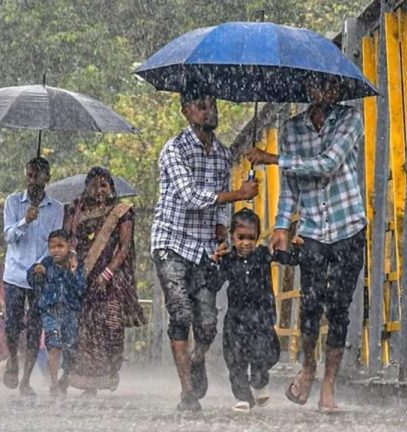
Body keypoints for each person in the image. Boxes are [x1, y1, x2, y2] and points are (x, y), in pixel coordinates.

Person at [245, 75, 367, 412]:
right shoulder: (291, 129)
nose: (324, 91)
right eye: (317, 84)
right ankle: (309, 366)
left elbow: (328, 163)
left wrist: (272, 159)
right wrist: (281, 225)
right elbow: (291, 187)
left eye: (331, 85)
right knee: (311, 305)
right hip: (312, 228)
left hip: (348, 226)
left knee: (339, 308)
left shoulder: (351, 119)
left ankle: (328, 387)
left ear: (339, 89)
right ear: (308, 88)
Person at [151, 88, 259, 411]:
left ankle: (196, 359)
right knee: (181, 313)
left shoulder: (224, 155)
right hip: (171, 242)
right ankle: (187, 393)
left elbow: (219, 209)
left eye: (213, 104)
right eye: (201, 106)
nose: (209, 111)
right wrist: (239, 194)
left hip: (203, 247)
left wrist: (224, 231)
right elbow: (191, 196)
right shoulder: (174, 150)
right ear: (186, 111)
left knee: (209, 323)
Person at [65, 166, 145, 395]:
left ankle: (110, 371)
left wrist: (107, 273)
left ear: (111, 188)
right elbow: (69, 239)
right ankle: (90, 383)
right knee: (87, 330)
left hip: (112, 278)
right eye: (93, 185)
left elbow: (124, 246)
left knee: (110, 326)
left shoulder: (122, 211)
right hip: (84, 276)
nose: (99, 190)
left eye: (104, 185)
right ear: (86, 188)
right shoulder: (77, 209)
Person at [210, 208, 297, 412]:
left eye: (251, 238)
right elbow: (214, 283)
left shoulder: (263, 255)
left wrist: (294, 248)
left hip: (262, 319)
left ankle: (259, 380)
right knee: (235, 360)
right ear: (232, 237)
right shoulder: (228, 259)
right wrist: (212, 263)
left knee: (268, 353)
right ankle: (243, 397)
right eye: (240, 238)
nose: (246, 243)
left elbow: (287, 259)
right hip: (236, 320)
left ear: (258, 238)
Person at [3, 157, 64, 396]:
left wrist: (42, 264)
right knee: (12, 325)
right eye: (29, 175)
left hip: (40, 276)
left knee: (34, 328)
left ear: (47, 177)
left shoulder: (57, 208)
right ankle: (12, 360)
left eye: (37, 175)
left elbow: (55, 241)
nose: (33, 180)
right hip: (15, 274)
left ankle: (26, 380)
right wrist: (25, 220)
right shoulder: (13, 202)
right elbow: (8, 236)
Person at [27, 229, 87, 397]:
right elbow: (31, 279)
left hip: (70, 312)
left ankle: (65, 377)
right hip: (50, 312)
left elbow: (82, 288)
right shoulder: (45, 263)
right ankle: (53, 383)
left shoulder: (76, 265)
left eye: (60, 246)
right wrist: (35, 272)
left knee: (70, 346)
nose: (56, 250)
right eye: (52, 247)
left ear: (69, 246)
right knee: (53, 345)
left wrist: (74, 272)